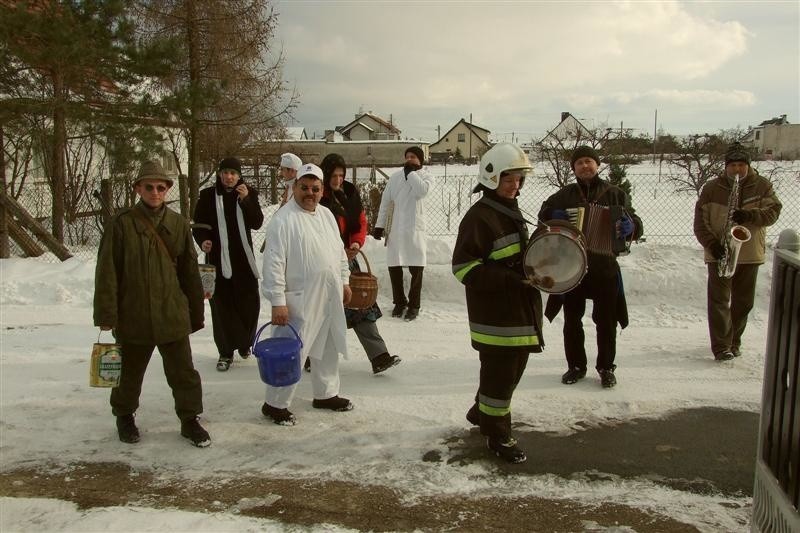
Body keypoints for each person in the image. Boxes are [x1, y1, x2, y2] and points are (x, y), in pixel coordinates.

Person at [93, 160, 210, 447]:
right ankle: (124, 416)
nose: (155, 192)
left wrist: (194, 314)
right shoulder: (122, 225)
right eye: (149, 187)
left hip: (171, 312)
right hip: (134, 314)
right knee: (129, 374)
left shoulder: (178, 224)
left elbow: (189, 273)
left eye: (161, 187)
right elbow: (107, 272)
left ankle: (190, 419)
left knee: (183, 373)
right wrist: (107, 314)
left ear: (168, 189)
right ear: (138, 188)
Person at [452, 143, 544, 464]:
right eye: (509, 179)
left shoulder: (508, 210)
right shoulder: (479, 218)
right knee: (502, 374)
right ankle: (497, 434)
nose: (515, 185)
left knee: (510, 370)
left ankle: (481, 410)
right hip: (496, 317)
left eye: (519, 179)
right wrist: (507, 278)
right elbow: (463, 267)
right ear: (491, 178)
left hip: (517, 310)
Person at [538, 145, 643, 388]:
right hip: (572, 267)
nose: (585, 166)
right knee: (572, 319)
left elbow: (636, 222)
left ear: (597, 165)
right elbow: (543, 216)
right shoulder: (565, 195)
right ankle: (575, 366)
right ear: (574, 168)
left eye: (589, 161)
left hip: (604, 267)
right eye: (579, 163)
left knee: (606, 321)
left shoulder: (615, 194)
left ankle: (606, 367)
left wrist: (632, 227)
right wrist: (553, 215)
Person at [260, 163, 354, 425]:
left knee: (328, 346)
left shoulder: (326, 215)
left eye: (315, 188)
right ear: (295, 187)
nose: (309, 193)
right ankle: (275, 404)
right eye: (304, 188)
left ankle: (326, 394)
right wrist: (277, 301)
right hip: (299, 300)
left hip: (328, 294)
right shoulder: (283, 220)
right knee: (291, 351)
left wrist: (344, 281)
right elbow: (273, 264)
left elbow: (339, 252)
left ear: (322, 190)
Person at [693, 142, 781, 361]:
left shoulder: (762, 185)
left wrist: (751, 216)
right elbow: (700, 222)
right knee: (719, 301)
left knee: (744, 302)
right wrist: (712, 245)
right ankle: (721, 347)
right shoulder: (712, 188)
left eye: (742, 165)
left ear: (748, 166)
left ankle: (734, 341)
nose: (737, 170)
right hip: (719, 253)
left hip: (749, 253)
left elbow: (773, 212)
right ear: (726, 166)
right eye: (733, 165)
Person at [318, 153, 401, 374]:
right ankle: (311, 355)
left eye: (341, 175)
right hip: (321, 262)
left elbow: (360, 222)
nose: (337, 180)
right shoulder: (317, 195)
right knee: (321, 311)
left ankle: (379, 356)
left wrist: (355, 245)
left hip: (348, 260)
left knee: (361, 306)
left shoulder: (350, 192)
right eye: (333, 175)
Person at [192, 157, 263, 372]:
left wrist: (247, 200)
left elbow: (257, 222)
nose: (229, 177)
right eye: (225, 173)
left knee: (250, 304)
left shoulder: (248, 193)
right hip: (217, 259)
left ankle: (244, 343)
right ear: (220, 174)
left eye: (233, 173)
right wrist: (202, 239)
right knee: (222, 307)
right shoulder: (207, 196)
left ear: (239, 175)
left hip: (243, 261)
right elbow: (199, 224)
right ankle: (225, 352)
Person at [372, 146, 433, 321]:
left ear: (420, 160)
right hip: (396, 228)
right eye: (407, 157)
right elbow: (386, 202)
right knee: (394, 266)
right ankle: (399, 302)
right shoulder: (395, 178)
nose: (409, 160)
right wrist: (379, 225)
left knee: (416, 268)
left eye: (413, 157)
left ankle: (414, 305)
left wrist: (411, 174)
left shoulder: (427, 176)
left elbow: (422, 191)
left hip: (415, 229)